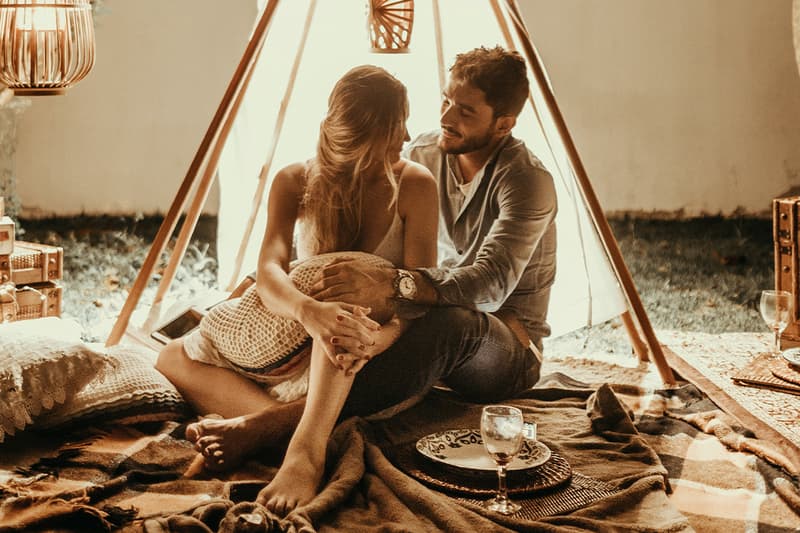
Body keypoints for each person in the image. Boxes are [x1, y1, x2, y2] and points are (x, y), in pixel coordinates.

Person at [155, 64, 438, 509]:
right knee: (172, 355)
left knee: (350, 284)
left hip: (360, 351)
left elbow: (418, 298)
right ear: (364, 136)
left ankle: (304, 453)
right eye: (397, 126)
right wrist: (308, 311)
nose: (406, 137)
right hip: (298, 334)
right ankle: (274, 426)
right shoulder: (294, 180)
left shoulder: (416, 185)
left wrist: (373, 341)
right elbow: (268, 269)